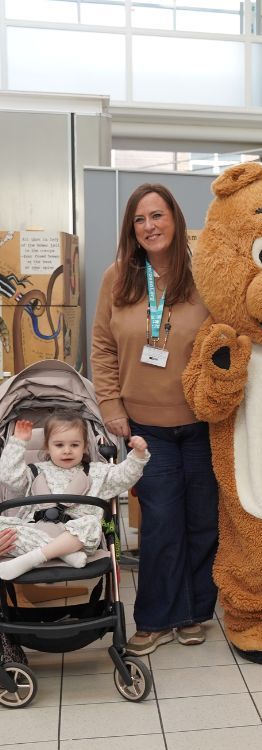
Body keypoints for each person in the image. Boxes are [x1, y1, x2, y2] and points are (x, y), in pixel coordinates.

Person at [91, 183, 219, 656]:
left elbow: (226, 341)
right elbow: (102, 346)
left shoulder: (204, 274)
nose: (150, 226)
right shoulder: (117, 278)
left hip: (203, 421)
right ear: (132, 229)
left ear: (175, 220)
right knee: (162, 520)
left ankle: (193, 613)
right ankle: (154, 617)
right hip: (144, 426)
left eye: (158, 216)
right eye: (141, 219)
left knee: (203, 520)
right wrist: (110, 406)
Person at [0, 413, 149, 580]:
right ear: (47, 447)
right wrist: (17, 442)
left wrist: (138, 454)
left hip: (76, 537)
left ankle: (30, 559)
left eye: (74, 445)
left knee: (92, 523)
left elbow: (124, 475)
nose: (67, 450)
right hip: (36, 529)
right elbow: (9, 477)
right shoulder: (34, 472)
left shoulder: (97, 473)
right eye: (59, 445)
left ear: (84, 446)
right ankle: (64, 554)